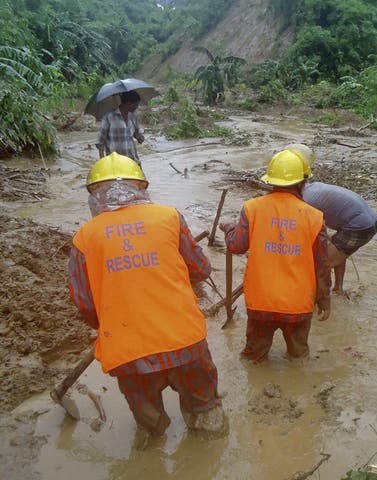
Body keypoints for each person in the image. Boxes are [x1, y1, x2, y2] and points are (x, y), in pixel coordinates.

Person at [68, 152, 225, 437]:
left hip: (128, 354)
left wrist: (114, 323)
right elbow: (201, 269)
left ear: (94, 195)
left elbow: (85, 303)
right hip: (184, 342)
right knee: (207, 414)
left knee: (150, 427)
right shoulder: (169, 217)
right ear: (140, 187)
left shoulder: (84, 237)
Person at [220, 149, 331, 362]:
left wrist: (229, 229)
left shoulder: (252, 208)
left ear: (271, 180)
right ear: (302, 182)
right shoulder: (314, 217)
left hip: (261, 303)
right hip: (297, 306)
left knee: (254, 359)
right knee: (299, 359)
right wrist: (324, 299)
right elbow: (322, 265)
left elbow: (236, 245)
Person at [286, 143, 377, 293]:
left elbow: (309, 237)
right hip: (369, 220)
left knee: (323, 264)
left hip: (359, 227)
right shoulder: (312, 188)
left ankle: (319, 298)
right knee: (337, 250)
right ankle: (338, 288)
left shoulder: (306, 202)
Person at [96, 90, 145, 165]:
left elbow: (136, 133)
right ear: (128, 103)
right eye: (136, 105)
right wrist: (103, 163)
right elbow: (100, 142)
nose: (137, 107)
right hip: (116, 163)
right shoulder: (109, 117)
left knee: (141, 177)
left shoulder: (133, 117)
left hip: (133, 160)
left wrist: (139, 137)